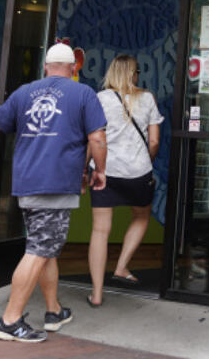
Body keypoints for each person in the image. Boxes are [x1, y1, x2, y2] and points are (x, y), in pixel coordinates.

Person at [0, 43, 107, 343]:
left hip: (27, 182)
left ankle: (53, 311)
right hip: (57, 183)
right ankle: (9, 321)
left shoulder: (24, 92)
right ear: (73, 68)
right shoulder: (84, 93)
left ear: (46, 67)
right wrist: (99, 170)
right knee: (38, 251)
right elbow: (97, 138)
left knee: (45, 248)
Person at [86, 54, 162, 307]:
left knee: (100, 231)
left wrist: (85, 168)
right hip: (137, 172)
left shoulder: (100, 99)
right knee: (141, 217)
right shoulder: (147, 98)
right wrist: (145, 160)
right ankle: (121, 266)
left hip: (105, 170)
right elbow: (154, 141)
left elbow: (93, 138)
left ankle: (96, 293)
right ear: (133, 73)